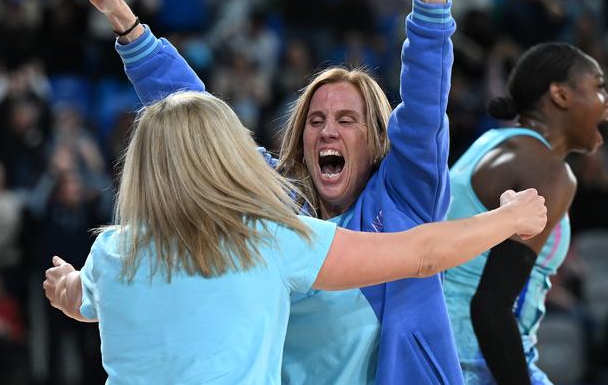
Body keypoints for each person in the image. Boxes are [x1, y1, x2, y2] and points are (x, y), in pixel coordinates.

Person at [64, 0, 464, 384]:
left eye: (346, 120)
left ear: (378, 140)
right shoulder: (271, 204)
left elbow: (423, 105)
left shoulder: (405, 196)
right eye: (315, 120)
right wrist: (123, 19)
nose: (328, 131)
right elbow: (194, 121)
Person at [44, 90, 548, 385]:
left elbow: (77, 300)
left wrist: (67, 283)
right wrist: (508, 219)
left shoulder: (112, 251)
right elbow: (421, 254)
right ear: (224, 158)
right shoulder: (268, 241)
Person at [443, 42, 608, 384]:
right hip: (469, 363)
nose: (605, 107)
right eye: (599, 87)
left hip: (440, 351)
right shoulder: (546, 170)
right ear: (560, 95)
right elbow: (489, 306)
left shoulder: (493, 141)